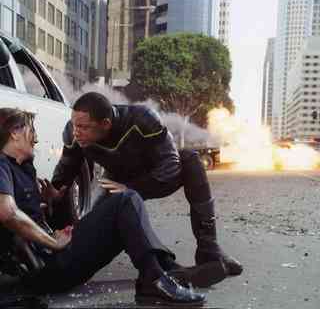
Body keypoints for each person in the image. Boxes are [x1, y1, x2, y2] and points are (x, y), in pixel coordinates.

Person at [0, 107, 206, 306]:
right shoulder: (1, 164)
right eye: (31, 130)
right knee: (125, 200)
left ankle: (162, 271)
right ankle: (155, 279)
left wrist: (51, 208)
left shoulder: (23, 167)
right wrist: (52, 243)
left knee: (124, 206)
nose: (36, 138)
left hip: (53, 256)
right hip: (44, 268)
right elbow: (7, 213)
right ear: (14, 133)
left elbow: (25, 216)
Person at [52, 92, 243, 278]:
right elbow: (65, 171)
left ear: (106, 124)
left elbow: (171, 165)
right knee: (97, 233)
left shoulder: (142, 118)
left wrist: (133, 189)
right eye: (75, 125)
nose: (77, 132)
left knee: (191, 161)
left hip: (155, 178)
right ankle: (164, 265)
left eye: (84, 127)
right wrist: (54, 191)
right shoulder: (74, 132)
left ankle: (209, 250)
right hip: (116, 184)